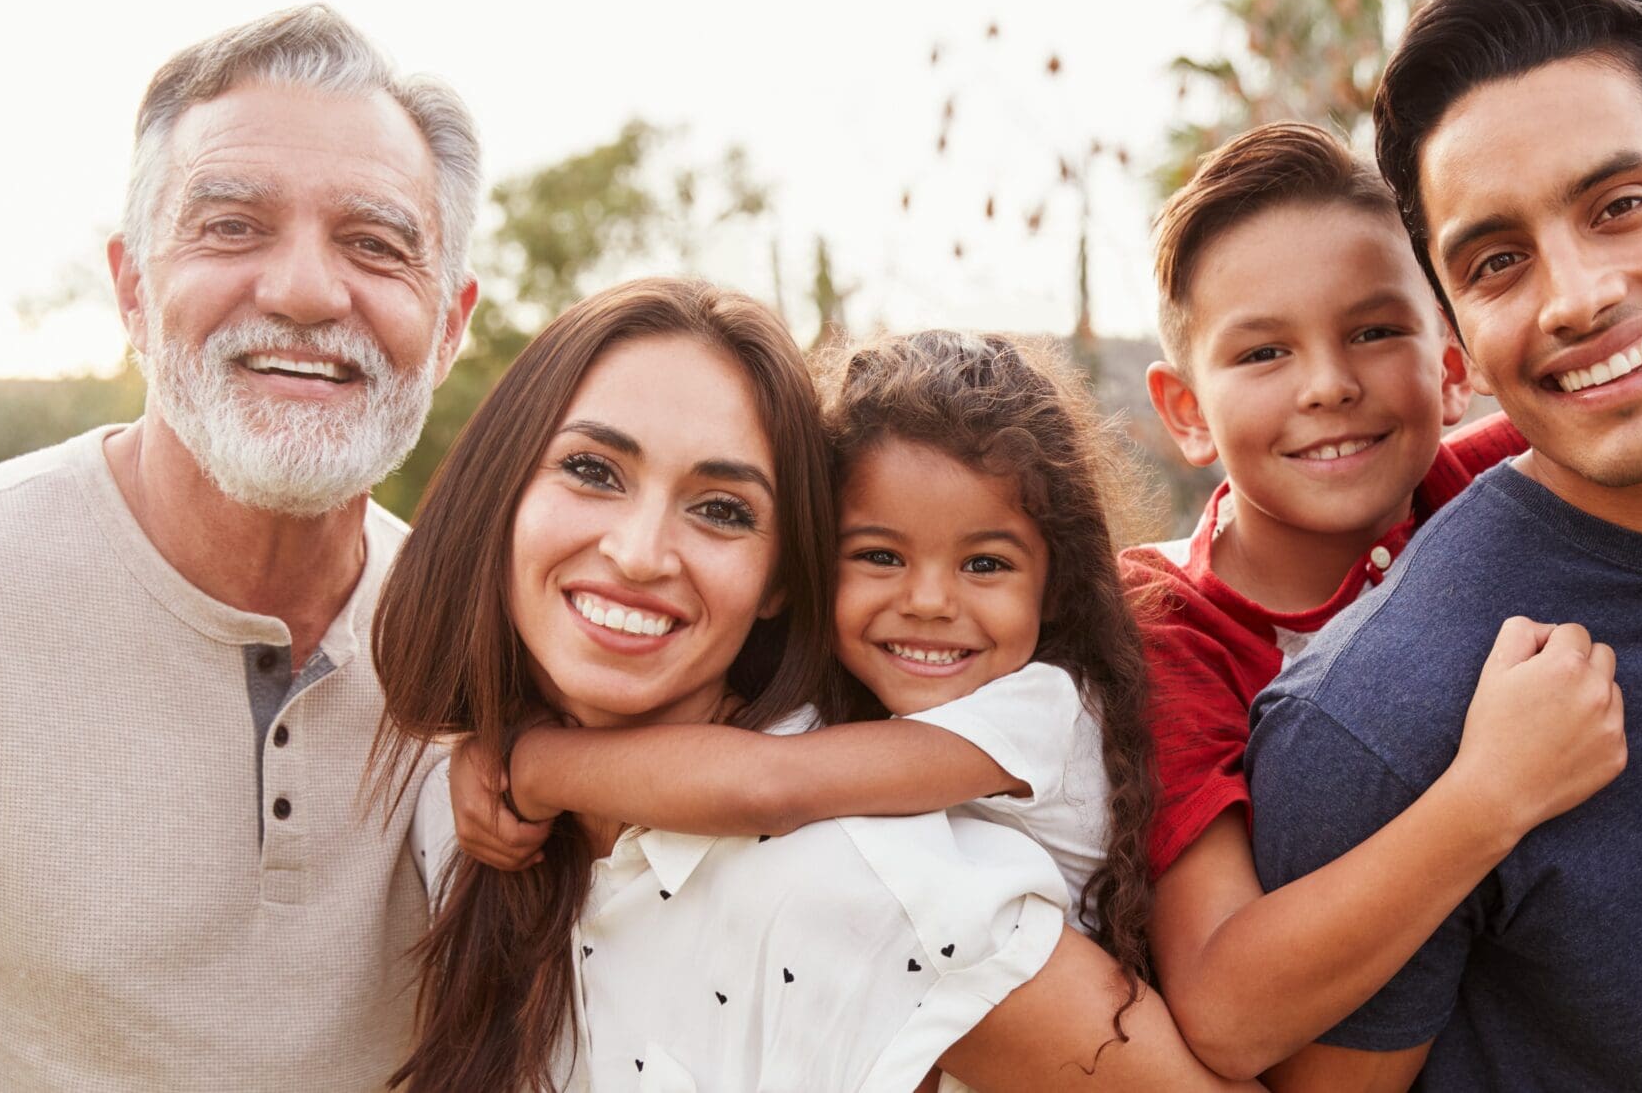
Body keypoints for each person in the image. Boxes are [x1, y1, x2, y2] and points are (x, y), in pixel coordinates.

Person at [1126, 120, 1642, 1079]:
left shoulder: (1478, 487)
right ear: (1186, 411)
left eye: (1374, 332)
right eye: (1262, 355)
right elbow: (1223, 1008)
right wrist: (1490, 798)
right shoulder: (1165, 628)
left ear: (1455, 370)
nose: (1329, 385)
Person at [379, 280, 1251, 1091]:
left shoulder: (873, 879)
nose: (639, 553)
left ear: (783, 576)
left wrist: (530, 762)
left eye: (723, 509)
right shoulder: (441, 813)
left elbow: (770, 788)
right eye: (592, 470)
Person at [0, 5, 479, 1088]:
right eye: (232, 226)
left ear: (451, 323)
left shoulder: (487, 653)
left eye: (375, 245)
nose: (305, 292)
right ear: (133, 289)